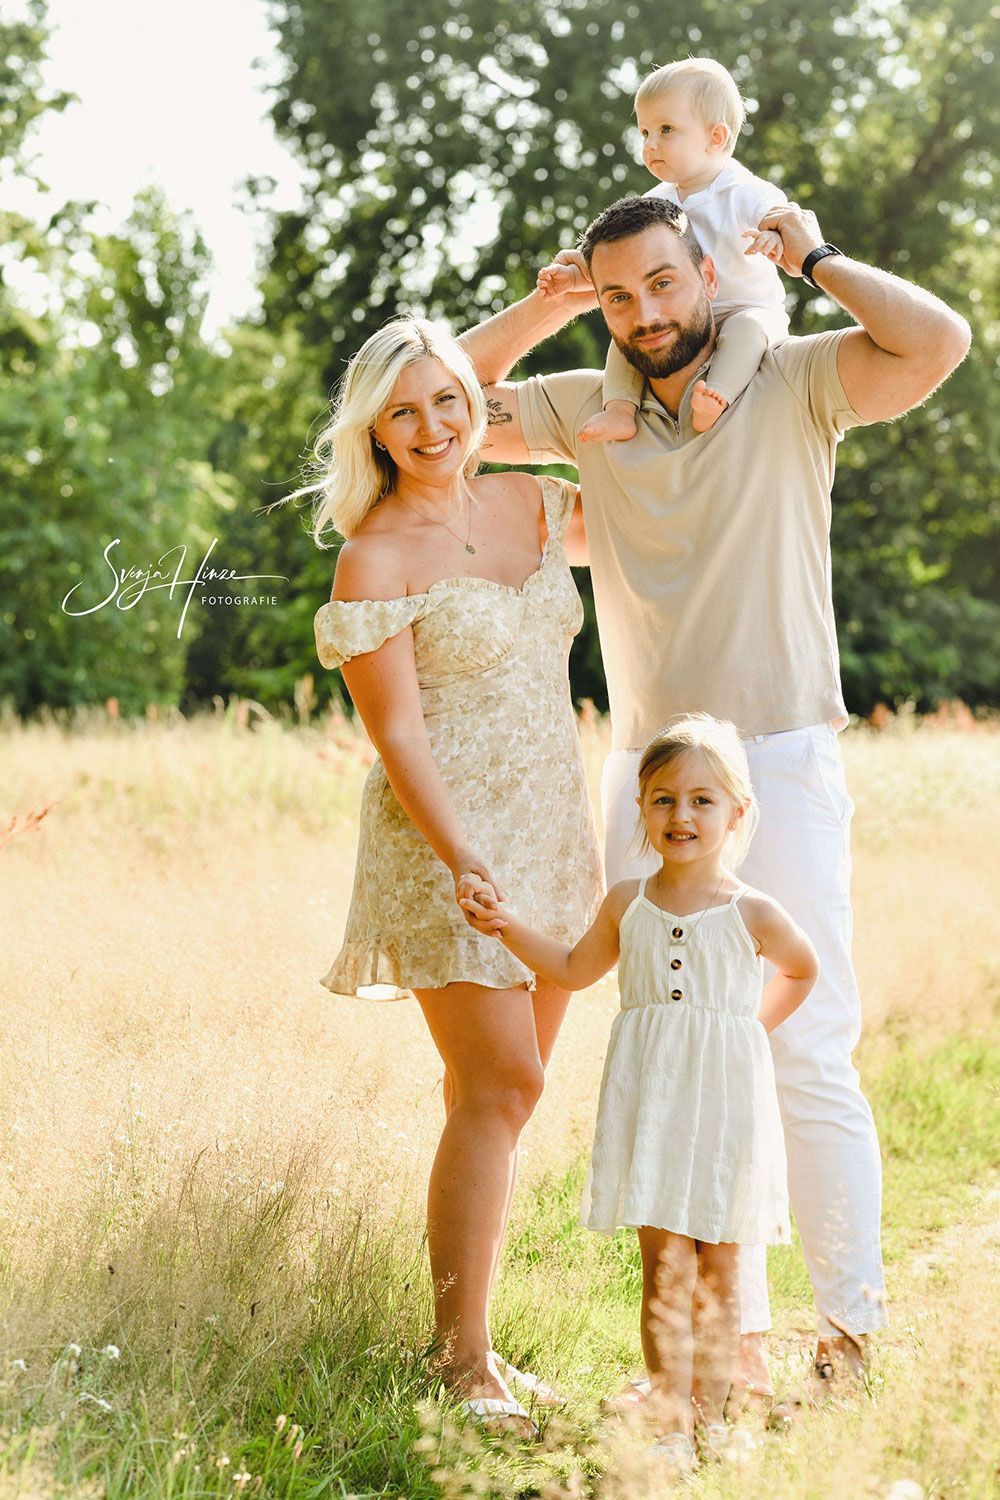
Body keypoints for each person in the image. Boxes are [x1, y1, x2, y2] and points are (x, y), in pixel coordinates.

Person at [458, 191, 971, 1393]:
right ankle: (714, 1355)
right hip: (647, 782)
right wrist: (542, 306)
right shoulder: (586, 408)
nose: (644, 314)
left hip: (778, 766)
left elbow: (938, 342)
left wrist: (817, 256)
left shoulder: (794, 379)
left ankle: (849, 1335)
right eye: (619, 294)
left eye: (662, 284)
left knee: (804, 1049)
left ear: (704, 271)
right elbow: (433, 409)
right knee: (669, 1053)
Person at [305, 316, 603, 1433]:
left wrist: (568, 308)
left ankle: (471, 1343)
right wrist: (462, 854)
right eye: (402, 409)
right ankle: (458, 1364)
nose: (430, 425)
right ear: (372, 429)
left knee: (501, 1103)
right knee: (500, 1089)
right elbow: (399, 739)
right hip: (449, 847)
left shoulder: (534, 504)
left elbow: (670, 512)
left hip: (554, 837)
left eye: (447, 400)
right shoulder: (374, 555)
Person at [461, 714, 817, 1471]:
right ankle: (668, 1423)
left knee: (719, 1265)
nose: (681, 816)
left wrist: (745, 1029)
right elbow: (568, 966)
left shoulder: (752, 911)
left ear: (736, 813)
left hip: (724, 1105)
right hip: (656, 1101)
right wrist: (504, 928)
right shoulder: (629, 902)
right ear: (642, 811)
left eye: (701, 801)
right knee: (663, 1266)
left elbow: (803, 968)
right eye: (662, 800)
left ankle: (715, 1419)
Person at [537, 57, 789, 442]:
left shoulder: (748, 192)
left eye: (666, 130)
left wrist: (775, 238)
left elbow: (789, 223)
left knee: (748, 331)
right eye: (644, 133)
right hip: (682, 313)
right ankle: (620, 410)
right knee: (630, 336)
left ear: (715, 138)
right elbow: (627, 261)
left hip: (744, 306)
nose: (651, 145)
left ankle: (717, 396)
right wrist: (577, 275)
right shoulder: (658, 200)